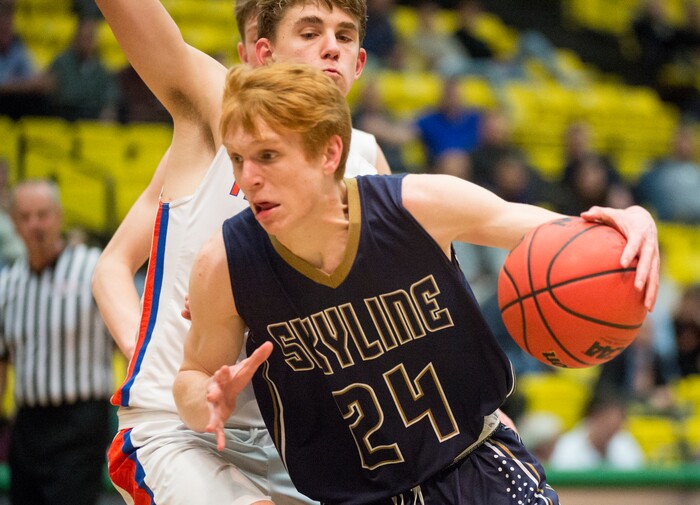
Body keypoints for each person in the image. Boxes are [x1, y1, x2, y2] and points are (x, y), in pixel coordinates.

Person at [173, 62, 660, 504]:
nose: (247, 178)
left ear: (329, 153)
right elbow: (192, 377)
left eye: (267, 156)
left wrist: (636, 220)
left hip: (478, 469)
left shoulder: (416, 207)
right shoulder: (225, 265)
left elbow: (568, 237)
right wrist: (207, 401)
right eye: (238, 159)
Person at [92, 0, 389, 502]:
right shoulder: (222, 105)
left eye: (343, 35)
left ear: (360, 63)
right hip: (183, 431)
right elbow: (141, 24)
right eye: (312, 32)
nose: (330, 48)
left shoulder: (367, 167)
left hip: (301, 447)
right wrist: (145, 357)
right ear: (263, 54)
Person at [0, 179, 114, 505]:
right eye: (25, 216)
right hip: (27, 423)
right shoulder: (7, 285)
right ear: (14, 223)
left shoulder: (93, 269)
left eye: (43, 215)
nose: (35, 224)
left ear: (59, 216)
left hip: (81, 421)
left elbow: (130, 338)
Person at [548, 388, 646, 471]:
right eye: (608, 422)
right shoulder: (568, 445)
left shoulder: (625, 442)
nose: (612, 430)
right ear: (595, 416)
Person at [45, 17, 119, 120]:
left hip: (92, 118)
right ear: (76, 39)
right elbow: (57, 91)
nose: (86, 43)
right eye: (83, 38)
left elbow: (110, 98)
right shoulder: (62, 62)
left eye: (89, 38)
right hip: (64, 115)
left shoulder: (102, 69)